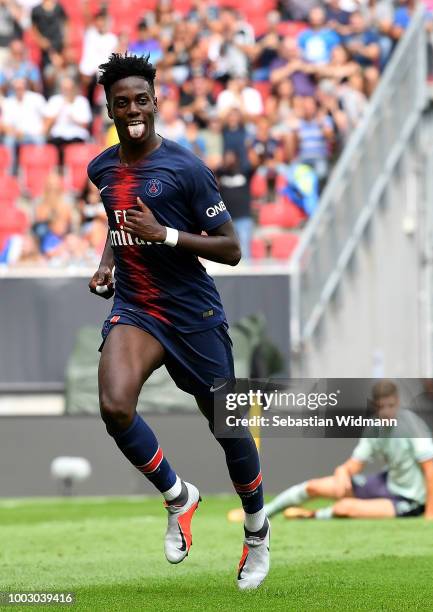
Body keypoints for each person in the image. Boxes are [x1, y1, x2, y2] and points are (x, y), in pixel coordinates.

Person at [87, 53, 269, 590]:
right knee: (115, 406)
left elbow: (232, 249)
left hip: (193, 313)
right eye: (123, 102)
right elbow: (118, 225)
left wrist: (163, 235)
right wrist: (106, 265)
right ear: (111, 109)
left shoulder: (186, 168)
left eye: (142, 99)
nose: (134, 108)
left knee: (227, 428)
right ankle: (178, 496)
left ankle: (257, 534)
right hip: (138, 308)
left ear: (155, 101)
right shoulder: (102, 168)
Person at [263, 380, 433, 521]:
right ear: (374, 405)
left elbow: (431, 472)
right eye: (381, 407)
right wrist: (343, 471)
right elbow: (356, 464)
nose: (386, 412)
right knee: (314, 487)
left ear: (398, 402)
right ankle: (264, 513)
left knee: (345, 507)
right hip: (386, 483)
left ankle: (310, 515)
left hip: (409, 500)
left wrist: (430, 514)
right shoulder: (373, 427)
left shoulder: (412, 426)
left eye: (390, 405)